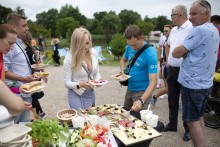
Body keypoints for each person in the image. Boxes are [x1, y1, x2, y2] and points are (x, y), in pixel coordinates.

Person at [173, 1, 219, 146]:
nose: (190, 17)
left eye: (194, 13)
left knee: (192, 121)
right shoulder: (214, 29)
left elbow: (176, 53)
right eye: (190, 13)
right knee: (199, 118)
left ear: (206, 14)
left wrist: (185, 52)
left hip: (193, 85)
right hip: (205, 84)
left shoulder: (199, 30)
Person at [163, 5, 193, 142]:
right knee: (172, 98)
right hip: (172, 70)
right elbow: (167, 44)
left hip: (185, 70)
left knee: (186, 101)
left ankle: (188, 129)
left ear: (179, 15)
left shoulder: (192, 29)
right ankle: (172, 124)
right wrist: (168, 60)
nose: (171, 18)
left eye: (172, 15)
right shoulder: (174, 30)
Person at [4, 13, 37, 123]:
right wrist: (23, 79)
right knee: (17, 127)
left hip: (21, 90)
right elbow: (4, 72)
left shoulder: (17, 42)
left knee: (24, 125)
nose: (27, 28)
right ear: (13, 27)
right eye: (24, 26)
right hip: (15, 95)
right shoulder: (7, 46)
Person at [120, 25, 157, 112]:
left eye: (134, 44)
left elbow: (153, 82)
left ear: (142, 38)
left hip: (142, 92)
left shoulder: (150, 53)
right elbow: (122, 60)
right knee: (126, 116)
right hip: (130, 89)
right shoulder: (129, 47)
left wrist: (142, 100)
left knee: (139, 122)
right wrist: (122, 72)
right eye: (130, 45)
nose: (132, 48)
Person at [64, 27, 101, 110]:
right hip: (76, 95)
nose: (89, 45)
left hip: (90, 93)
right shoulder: (69, 58)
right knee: (80, 120)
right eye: (86, 43)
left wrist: (97, 81)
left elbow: (97, 73)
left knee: (91, 118)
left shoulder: (94, 53)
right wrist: (80, 84)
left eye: (89, 41)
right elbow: (67, 83)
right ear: (78, 44)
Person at [0, 24, 25, 129]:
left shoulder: (1, 55)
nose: (11, 48)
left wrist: (16, 89)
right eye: (10, 43)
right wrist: (17, 102)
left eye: (13, 44)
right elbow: (16, 107)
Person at [20, 30, 47, 119]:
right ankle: (40, 113)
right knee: (33, 95)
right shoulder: (36, 48)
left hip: (31, 75)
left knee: (32, 95)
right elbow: (40, 62)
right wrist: (43, 73)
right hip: (37, 74)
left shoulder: (25, 51)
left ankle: (38, 114)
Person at [151, 25, 172, 106]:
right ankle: (155, 96)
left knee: (172, 88)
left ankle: (174, 102)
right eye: (164, 31)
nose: (165, 32)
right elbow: (164, 51)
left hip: (169, 65)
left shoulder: (171, 39)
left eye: (167, 31)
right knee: (169, 88)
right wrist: (164, 61)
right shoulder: (166, 40)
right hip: (167, 66)